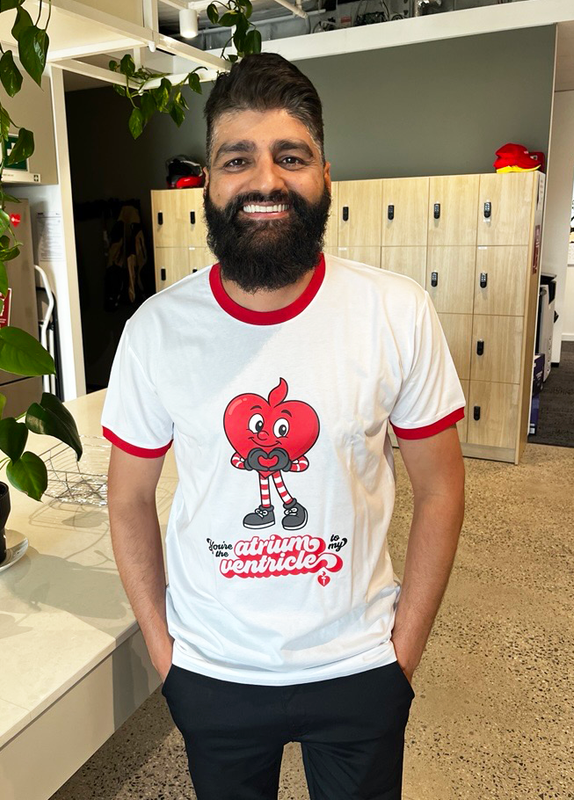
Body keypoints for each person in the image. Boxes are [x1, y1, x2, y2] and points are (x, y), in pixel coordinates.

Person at [102, 53, 465, 800]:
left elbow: (440, 488)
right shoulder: (156, 331)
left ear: (324, 174)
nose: (265, 181)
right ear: (208, 180)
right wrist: (168, 660)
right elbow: (129, 496)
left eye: (289, 156)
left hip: (359, 668)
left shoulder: (393, 313)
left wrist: (403, 655)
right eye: (238, 158)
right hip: (215, 673)